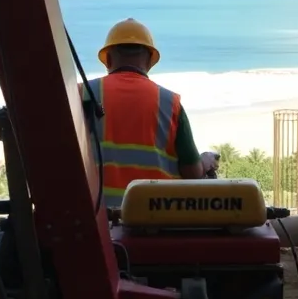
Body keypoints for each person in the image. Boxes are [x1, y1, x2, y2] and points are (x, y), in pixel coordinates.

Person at [85, 18, 216, 209]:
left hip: (96, 218)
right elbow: (192, 173)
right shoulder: (170, 102)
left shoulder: (82, 94)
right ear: (149, 61)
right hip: (155, 220)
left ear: (109, 59)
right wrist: (205, 160)